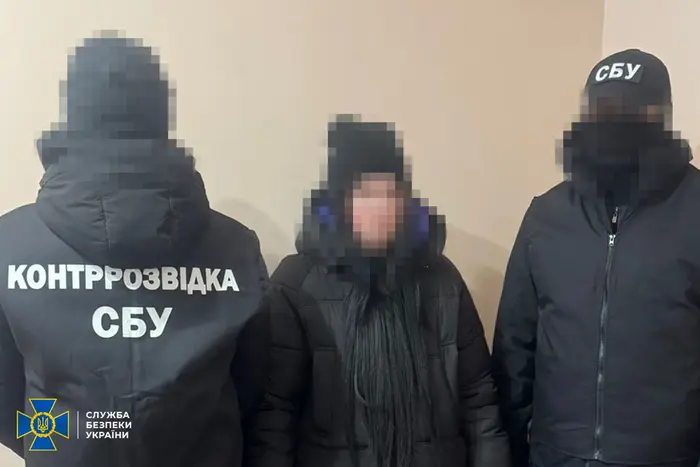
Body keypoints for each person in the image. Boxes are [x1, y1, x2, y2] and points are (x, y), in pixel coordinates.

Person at [0, 34, 268, 467]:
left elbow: (5, 398)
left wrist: (63, 446)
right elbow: (254, 389)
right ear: (161, 115)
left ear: (74, 113)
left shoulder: (9, 244)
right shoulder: (235, 246)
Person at [244, 116, 509, 467]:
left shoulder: (442, 280)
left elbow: (479, 401)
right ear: (340, 199)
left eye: (391, 192)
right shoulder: (297, 283)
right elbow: (275, 413)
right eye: (366, 193)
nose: (382, 208)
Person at [492, 49, 699, 467]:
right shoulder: (546, 216)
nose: (612, 124)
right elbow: (515, 345)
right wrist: (518, 444)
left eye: (629, 111)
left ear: (662, 116)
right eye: (601, 111)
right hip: (554, 455)